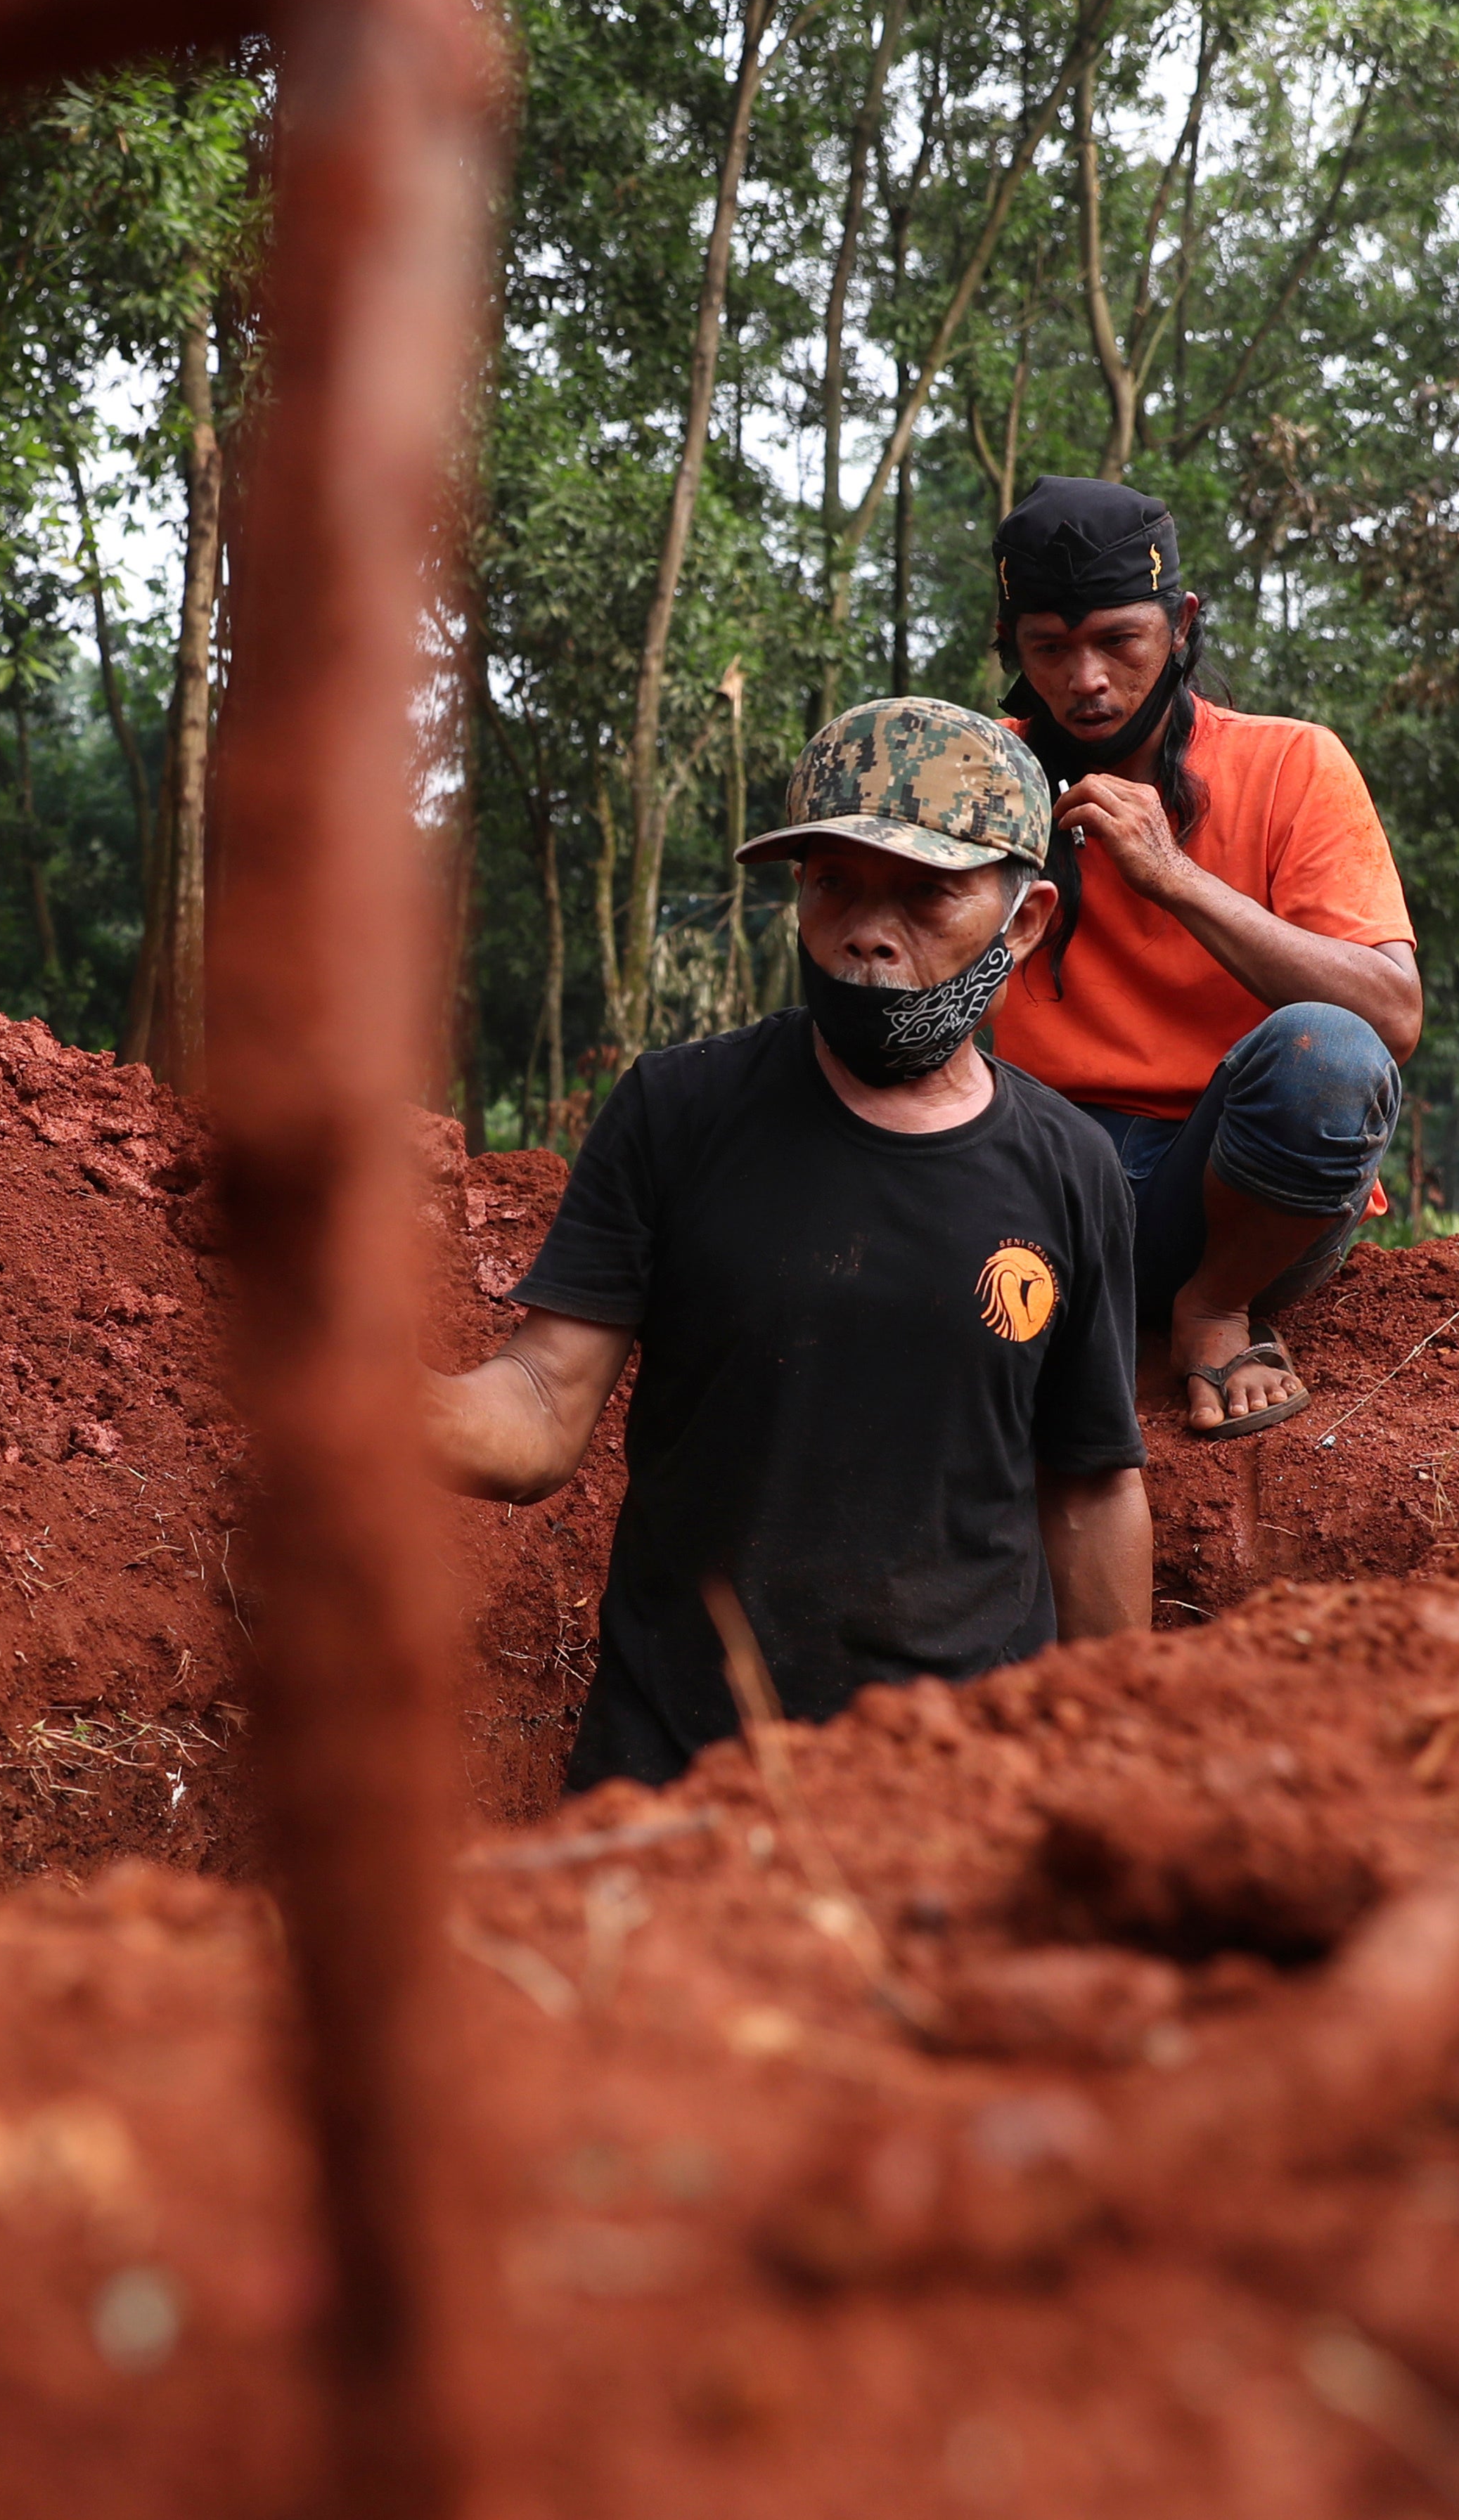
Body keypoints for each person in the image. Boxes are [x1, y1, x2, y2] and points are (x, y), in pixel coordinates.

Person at [425, 699, 1153, 1794]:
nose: (869, 928)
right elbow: (537, 1403)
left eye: (927, 892)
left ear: (1027, 918)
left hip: (956, 1794)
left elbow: (1090, 1492)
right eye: (833, 884)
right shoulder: (680, 1113)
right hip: (679, 1782)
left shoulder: (1069, 1169)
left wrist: (1112, 1763)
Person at [983, 476, 1422, 1441]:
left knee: (1330, 1056)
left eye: (1117, 642)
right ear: (1010, 645)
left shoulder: (1293, 763)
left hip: (1238, 1189)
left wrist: (1172, 875)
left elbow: (1392, 1017)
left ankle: (1215, 1308)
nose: (1084, 679)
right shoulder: (982, 779)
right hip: (1042, 1189)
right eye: (1048, 648)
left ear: (1180, 625)